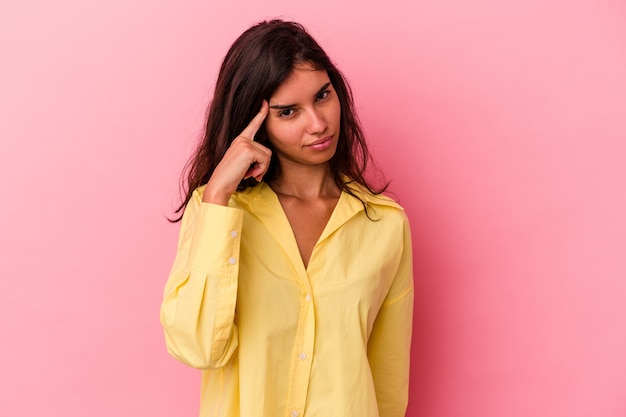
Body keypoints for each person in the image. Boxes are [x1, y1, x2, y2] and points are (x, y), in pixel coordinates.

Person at [160, 19, 414, 417]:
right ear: (255, 124)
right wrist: (217, 196)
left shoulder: (385, 226)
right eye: (288, 112)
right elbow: (197, 347)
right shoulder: (217, 213)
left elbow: (388, 380)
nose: (318, 124)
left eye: (323, 96)